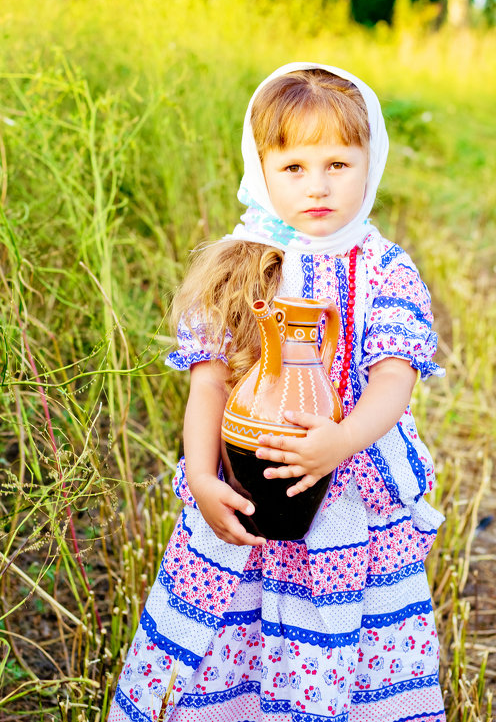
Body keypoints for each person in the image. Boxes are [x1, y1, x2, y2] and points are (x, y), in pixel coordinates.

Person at [108, 62, 447, 722]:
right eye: (293, 166)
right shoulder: (241, 261)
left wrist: (340, 441)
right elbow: (209, 379)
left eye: (337, 164)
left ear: (368, 162)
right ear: (260, 164)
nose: (316, 186)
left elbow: (394, 376)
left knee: (345, 631)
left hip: (349, 491)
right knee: (231, 625)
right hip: (244, 476)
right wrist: (202, 478)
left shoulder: (382, 267)